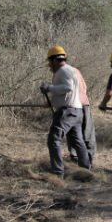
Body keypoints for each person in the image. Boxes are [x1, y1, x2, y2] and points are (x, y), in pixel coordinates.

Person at [39, 45, 90, 177]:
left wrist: (49, 88)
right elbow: (66, 92)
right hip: (76, 110)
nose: (49, 65)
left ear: (55, 60)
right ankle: (85, 172)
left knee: (54, 139)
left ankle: (58, 173)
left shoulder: (64, 71)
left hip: (67, 111)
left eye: (50, 62)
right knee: (78, 141)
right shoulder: (71, 70)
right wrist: (52, 101)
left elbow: (68, 88)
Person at [67, 67, 96, 167]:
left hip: (73, 106)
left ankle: (76, 158)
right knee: (87, 132)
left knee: (73, 132)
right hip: (84, 103)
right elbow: (84, 87)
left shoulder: (60, 72)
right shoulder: (76, 70)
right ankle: (89, 159)